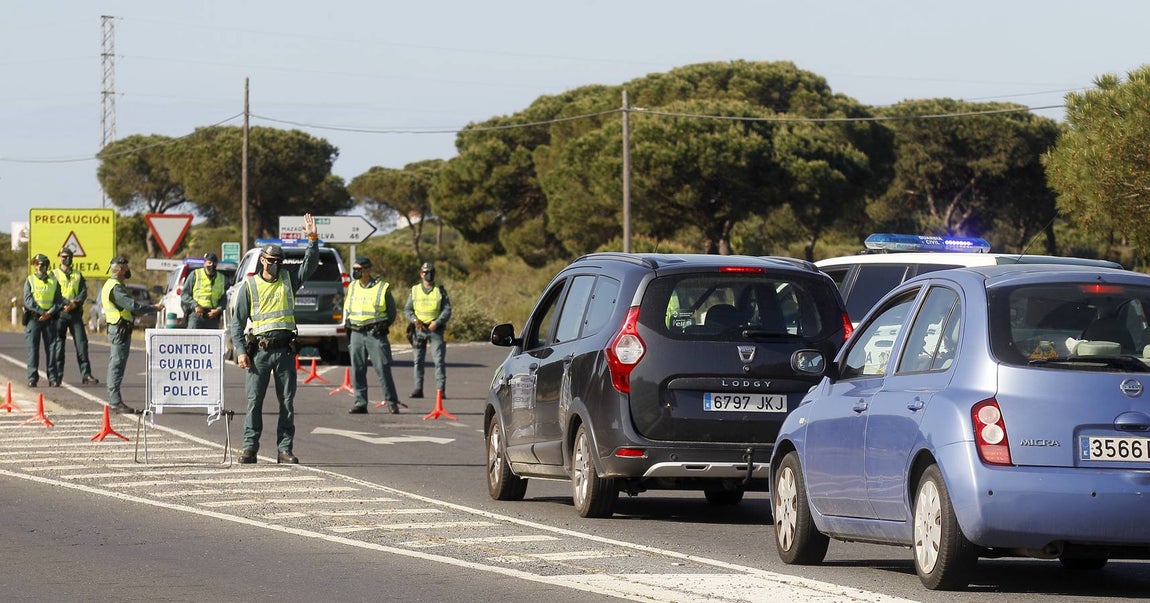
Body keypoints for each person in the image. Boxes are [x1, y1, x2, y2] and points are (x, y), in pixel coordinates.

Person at [229, 214, 319, 464]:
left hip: (285, 351)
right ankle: (249, 448)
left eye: (278, 261)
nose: (275, 265)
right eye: (270, 261)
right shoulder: (250, 286)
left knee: (287, 402)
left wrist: (312, 239)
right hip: (259, 352)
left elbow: (309, 265)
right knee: (254, 402)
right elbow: (237, 323)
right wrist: (240, 351)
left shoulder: (289, 280)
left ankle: (284, 449)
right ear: (262, 260)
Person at [102, 255, 163, 414]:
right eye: (126, 267)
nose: (128, 270)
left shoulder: (112, 284)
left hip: (119, 328)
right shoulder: (115, 287)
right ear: (121, 269)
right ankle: (114, 401)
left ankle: (114, 400)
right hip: (120, 328)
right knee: (117, 364)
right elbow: (133, 307)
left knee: (116, 363)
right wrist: (154, 308)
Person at [343, 256, 401, 414]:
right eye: (354, 269)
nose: (356, 272)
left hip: (374, 333)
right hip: (356, 332)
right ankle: (360, 403)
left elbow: (391, 312)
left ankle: (391, 402)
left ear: (368, 270)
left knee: (382, 368)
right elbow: (348, 308)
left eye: (359, 269)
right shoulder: (352, 286)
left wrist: (384, 325)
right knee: (357, 369)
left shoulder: (382, 287)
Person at [404, 261, 452, 399]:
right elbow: (407, 310)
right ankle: (418, 389)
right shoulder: (415, 290)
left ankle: (440, 390)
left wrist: (437, 322)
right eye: (425, 272)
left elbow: (447, 309)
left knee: (438, 361)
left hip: (435, 330)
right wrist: (415, 320)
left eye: (431, 272)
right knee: (418, 361)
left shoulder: (439, 290)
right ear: (421, 274)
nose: (428, 275)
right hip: (419, 330)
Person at [53, 247, 99, 386]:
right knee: (59, 346)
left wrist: (75, 303)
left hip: (75, 313)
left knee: (82, 344)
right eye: (63, 256)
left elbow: (83, 292)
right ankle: (57, 376)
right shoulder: (54, 274)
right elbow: (52, 292)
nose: (66, 259)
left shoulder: (77, 274)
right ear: (59, 257)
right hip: (60, 313)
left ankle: (86, 374)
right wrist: (65, 303)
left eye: (68, 256)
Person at [24, 253, 63, 388]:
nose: (39, 266)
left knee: (51, 349)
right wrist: (41, 312)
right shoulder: (30, 280)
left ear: (46, 266)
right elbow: (28, 300)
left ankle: (52, 377)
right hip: (34, 318)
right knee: (32, 349)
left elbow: (59, 301)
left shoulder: (54, 281)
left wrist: (49, 313)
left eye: (42, 264)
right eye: (37, 264)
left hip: (49, 319)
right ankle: (32, 378)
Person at [181, 252, 227, 329]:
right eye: (209, 263)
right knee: (192, 336)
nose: (212, 265)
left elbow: (224, 298)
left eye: (214, 263)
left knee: (213, 337)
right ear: (205, 263)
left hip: (212, 316)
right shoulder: (195, 274)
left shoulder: (222, 278)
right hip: (196, 314)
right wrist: (195, 305)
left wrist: (218, 310)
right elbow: (184, 294)